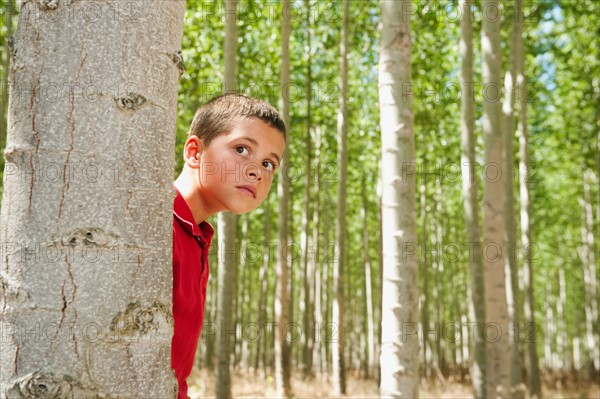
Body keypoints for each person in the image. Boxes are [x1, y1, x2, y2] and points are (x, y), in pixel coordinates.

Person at [171, 93, 286, 398]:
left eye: (268, 164)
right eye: (241, 149)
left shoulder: (196, 237)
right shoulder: (155, 226)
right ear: (195, 152)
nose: (257, 171)